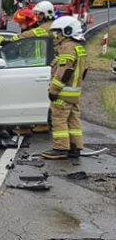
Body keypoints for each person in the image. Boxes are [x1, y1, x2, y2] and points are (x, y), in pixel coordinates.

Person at [42, 16, 87, 160]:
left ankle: (60, 148)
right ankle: (75, 147)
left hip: (63, 93)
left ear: (68, 31)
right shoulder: (79, 47)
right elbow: (83, 71)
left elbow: (64, 72)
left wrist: (54, 91)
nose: (56, 36)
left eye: (59, 32)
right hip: (74, 94)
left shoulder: (67, 47)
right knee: (74, 121)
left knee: (59, 120)